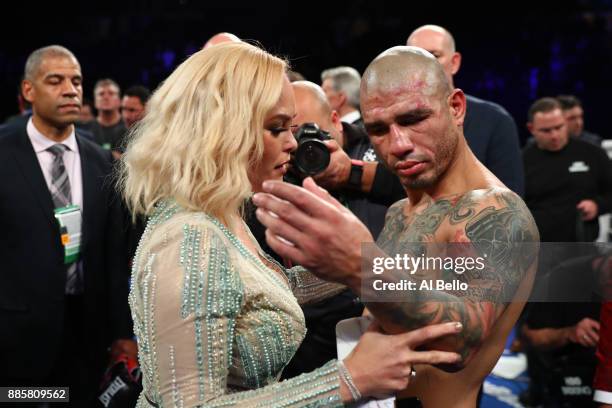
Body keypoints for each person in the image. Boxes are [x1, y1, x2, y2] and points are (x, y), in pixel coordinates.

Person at [120, 42, 463, 407]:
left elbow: (269, 291)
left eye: (292, 127)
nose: (292, 144)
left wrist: (372, 260)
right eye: (276, 128)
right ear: (223, 131)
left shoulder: (219, 216)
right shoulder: (190, 237)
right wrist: (348, 379)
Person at [253, 46, 539, 407]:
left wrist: (362, 268)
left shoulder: (497, 212)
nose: (398, 144)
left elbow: (459, 340)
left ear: (456, 108)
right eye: (378, 129)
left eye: (413, 119)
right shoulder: (402, 211)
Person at [0, 45, 135, 405]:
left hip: (87, 339)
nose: (71, 90)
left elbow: (113, 254)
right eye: (55, 81)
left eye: (76, 81)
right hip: (15, 338)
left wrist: (123, 333)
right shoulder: (3, 153)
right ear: (29, 90)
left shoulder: (103, 162)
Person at [407, 24, 524, 196]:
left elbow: (511, 199)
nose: (425, 65)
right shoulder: (393, 125)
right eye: (415, 58)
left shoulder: (495, 120)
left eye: (434, 55)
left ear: (454, 62)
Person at [523, 97, 612, 243]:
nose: (554, 135)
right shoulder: (521, 160)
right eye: (546, 130)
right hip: (538, 249)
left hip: (582, 248)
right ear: (531, 129)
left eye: (559, 127)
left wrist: (597, 205)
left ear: (565, 123)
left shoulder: (593, 154)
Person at [90, 78, 127, 157]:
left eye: (111, 93)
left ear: (119, 100)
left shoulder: (129, 128)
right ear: (95, 101)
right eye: (101, 94)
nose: (106, 97)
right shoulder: (86, 130)